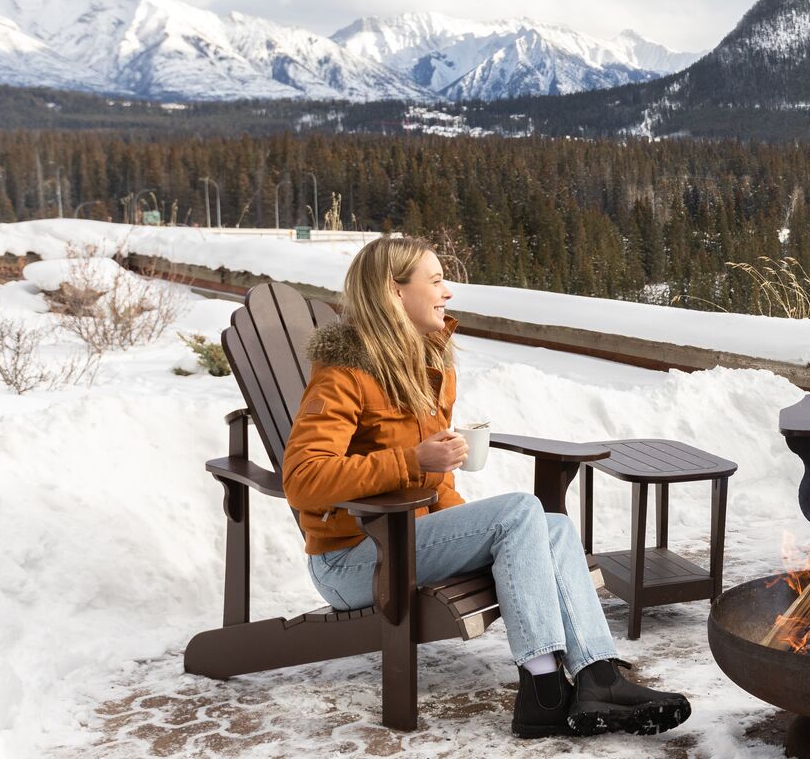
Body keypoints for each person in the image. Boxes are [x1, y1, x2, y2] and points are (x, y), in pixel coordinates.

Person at [280, 237, 690, 739]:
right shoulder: (344, 374)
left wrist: (487, 531)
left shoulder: (425, 366)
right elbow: (303, 480)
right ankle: (543, 688)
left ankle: (596, 676)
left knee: (551, 526)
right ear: (394, 291)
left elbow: (437, 484)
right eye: (434, 281)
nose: (447, 292)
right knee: (521, 511)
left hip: (410, 543)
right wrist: (411, 460)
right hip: (356, 561)